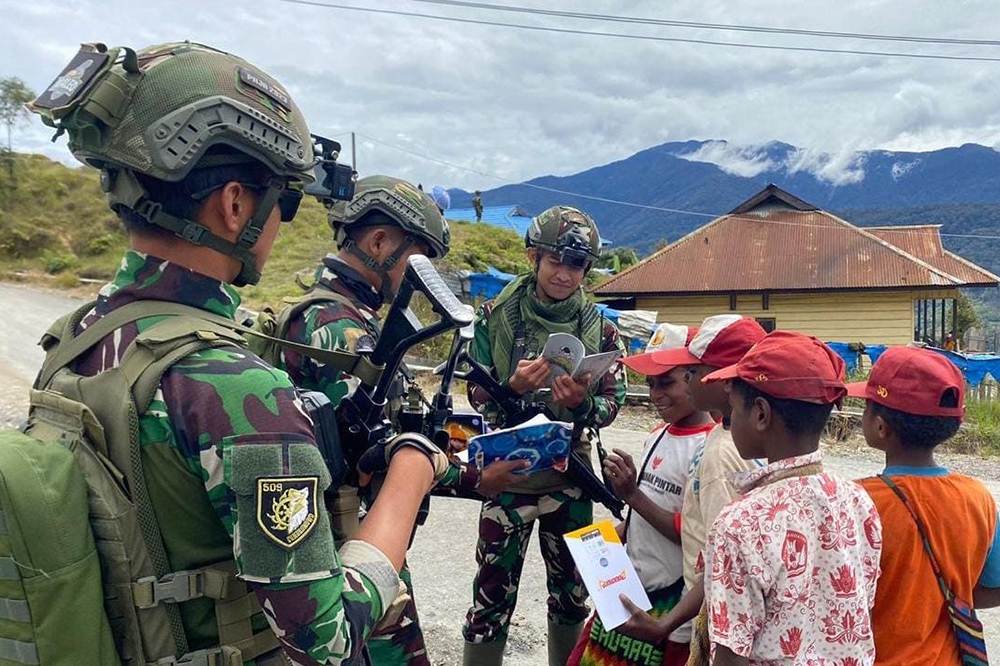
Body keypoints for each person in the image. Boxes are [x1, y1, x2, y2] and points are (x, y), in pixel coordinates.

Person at [28, 41, 448, 666]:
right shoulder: (230, 384)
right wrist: (412, 473)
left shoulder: (76, 336)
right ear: (234, 205)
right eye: (285, 201)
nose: (281, 223)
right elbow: (324, 641)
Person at [273, 174, 526, 665]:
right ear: (380, 242)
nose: (425, 274)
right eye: (420, 257)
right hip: (352, 552)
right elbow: (375, 462)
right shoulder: (341, 332)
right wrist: (475, 477)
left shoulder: (323, 316)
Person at [463, 205, 627, 666]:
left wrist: (582, 404)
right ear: (533, 256)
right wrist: (511, 389)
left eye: (575, 265)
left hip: (568, 479)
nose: (563, 273)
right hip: (507, 479)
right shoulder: (496, 315)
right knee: (490, 601)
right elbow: (475, 394)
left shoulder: (602, 329)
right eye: (555, 260)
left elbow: (614, 403)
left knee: (573, 596)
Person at [674, 331, 882, 666]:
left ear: (760, 414)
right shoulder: (858, 501)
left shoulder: (741, 521)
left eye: (733, 407)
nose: (730, 418)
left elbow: (730, 654)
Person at [617, 315, 766, 664]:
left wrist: (666, 622)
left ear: (722, 379)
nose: (686, 380)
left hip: (685, 615)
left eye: (691, 372)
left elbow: (722, 563)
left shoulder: (720, 455)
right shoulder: (686, 437)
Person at [568, 323, 715, 666]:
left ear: (697, 377)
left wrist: (632, 495)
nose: (655, 395)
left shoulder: (706, 448)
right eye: (650, 384)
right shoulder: (658, 434)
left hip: (669, 607)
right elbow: (640, 523)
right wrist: (599, 552)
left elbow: (692, 535)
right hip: (631, 589)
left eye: (667, 382)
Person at [851, 347, 1000, 666]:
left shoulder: (858, 501)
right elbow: (995, 587)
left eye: (866, 405)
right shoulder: (978, 497)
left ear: (881, 427)